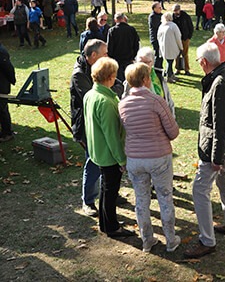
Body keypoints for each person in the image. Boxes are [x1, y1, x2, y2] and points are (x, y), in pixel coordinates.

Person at [184, 43, 225, 259]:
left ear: (204, 62)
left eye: (199, 61)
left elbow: (222, 123)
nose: (199, 64)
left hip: (216, 149)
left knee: (200, 190)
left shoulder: (220, 83)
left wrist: (216, 156)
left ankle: (207, 240)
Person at [119, 62, 180, 253]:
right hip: (158, 156)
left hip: (135, 159)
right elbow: (173, 131)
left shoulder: (122, 104)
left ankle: (147, 239)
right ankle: (171, 239)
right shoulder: (156, 101)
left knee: (141, 199)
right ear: (146, 80)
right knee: (164, 197)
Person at [84, 57, 133, 238]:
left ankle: (106, 223)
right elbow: (112, 135)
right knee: (110, 191)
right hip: (109, 154)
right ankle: (111, 226)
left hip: (97, 150)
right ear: (111, 77)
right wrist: (122, 159)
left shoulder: (91, 94)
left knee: (106, 189)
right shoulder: (105, 102)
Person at [70, 39, 121, 216]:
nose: (107, 55)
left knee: (107, 160)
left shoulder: (101, 69)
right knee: (93, 161)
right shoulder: (79, 74)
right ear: (93, 56)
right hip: (87, 126)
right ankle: (88, 200)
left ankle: (108, 191)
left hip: (99, 121)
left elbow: (117, 84)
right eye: (104, 53)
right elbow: (96, 93)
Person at [107, 13, 140, 82]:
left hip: (117, 60)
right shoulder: (131, 30)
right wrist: (133, 56)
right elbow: (136, 45)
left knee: (118, 80)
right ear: (124, 19)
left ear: (115, 20)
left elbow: (110, 47)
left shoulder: (112, 31)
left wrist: (111, 57)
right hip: (129, 59)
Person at [157, 12, 183, 83]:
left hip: (164, 47)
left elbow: (158, 37)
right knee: (170, 62)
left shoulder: (161, 26)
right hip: (172, 47)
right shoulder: (173, 26)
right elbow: (178, 37)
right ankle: (169, 77)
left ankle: (171, 75)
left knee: (169, 61)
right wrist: (181, 47)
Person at [0, 42, 16, 142]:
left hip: (1, 85)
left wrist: (12, 79)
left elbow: (8, 68)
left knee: (2, 109)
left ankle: (7, 133)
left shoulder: (1, 51)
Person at [172, 4, 194, 76]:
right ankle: (177, 69)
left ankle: (186, 69)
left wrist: (189, 37)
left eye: (176, 10)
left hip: (185, 38)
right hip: (176, 39)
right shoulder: (172, 17)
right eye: (174, 11)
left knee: (185, 54)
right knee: (177, 54)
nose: (175, 12)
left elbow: (190, 26)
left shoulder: (186, 16)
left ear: (179, 10)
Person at [148, 2, 163, 70]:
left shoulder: (161, 15)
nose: (161, 8)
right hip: (155, 38)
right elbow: (157, 26)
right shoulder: (152, 16)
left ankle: (160, 67)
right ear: (154, 9)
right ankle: (157, 68)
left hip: (161, 38)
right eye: (159, 7)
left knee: (161, 54)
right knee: (157, 54)